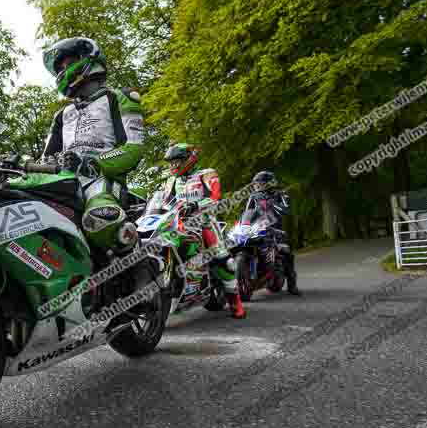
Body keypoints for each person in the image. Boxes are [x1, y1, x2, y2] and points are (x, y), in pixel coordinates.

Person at [40, 37, 145, 256]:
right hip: (63, 183)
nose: (63, 71)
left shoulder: (119, 97)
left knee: (100, 218)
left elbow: (134, 147)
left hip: (102, 181)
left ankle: (136, 259)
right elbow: (45, 159)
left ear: (86, 59)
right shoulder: (61, 115)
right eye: (59, 68)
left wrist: (94, 163)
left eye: (67, 64)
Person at [162, 143, 247, 319]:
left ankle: (235, 302)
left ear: (188, 159)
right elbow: (164, 202)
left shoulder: (206, 174)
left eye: (176, 162)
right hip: (179, 223)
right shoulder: (171, 181)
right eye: (171, 163)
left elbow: (215, 198)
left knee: (222, 259)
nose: (173, 166)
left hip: (205, 222)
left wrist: (196, 205)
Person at [244, 170, 300, 295]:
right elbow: (247, 212)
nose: (257, 186)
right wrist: (244, 224)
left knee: (286, 253)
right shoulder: (254, 196)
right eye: (256, 184)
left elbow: (285, 210)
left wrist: (271, 203)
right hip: (257, 228)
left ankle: (292, 284)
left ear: (270, 183)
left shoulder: (281, 194)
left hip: (276, 228)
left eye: (261, 183)